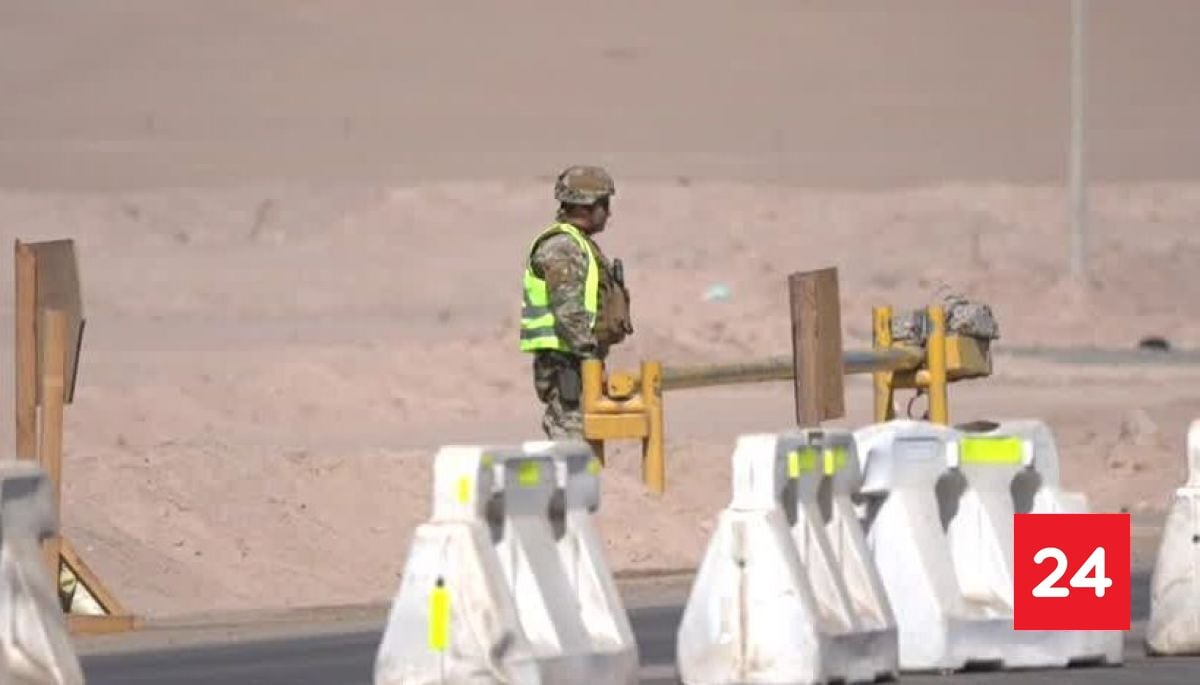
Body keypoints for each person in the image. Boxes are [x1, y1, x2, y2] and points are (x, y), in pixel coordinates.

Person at [519, 165, 633, 439]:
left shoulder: (577, 245)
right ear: (587, 207)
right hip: (567, 365)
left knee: (584, 445)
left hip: (577, 362)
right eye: (604, 204)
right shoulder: (563, 248)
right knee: (572, 447)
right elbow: (569, 311)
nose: (609, 213)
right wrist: (589, 355)